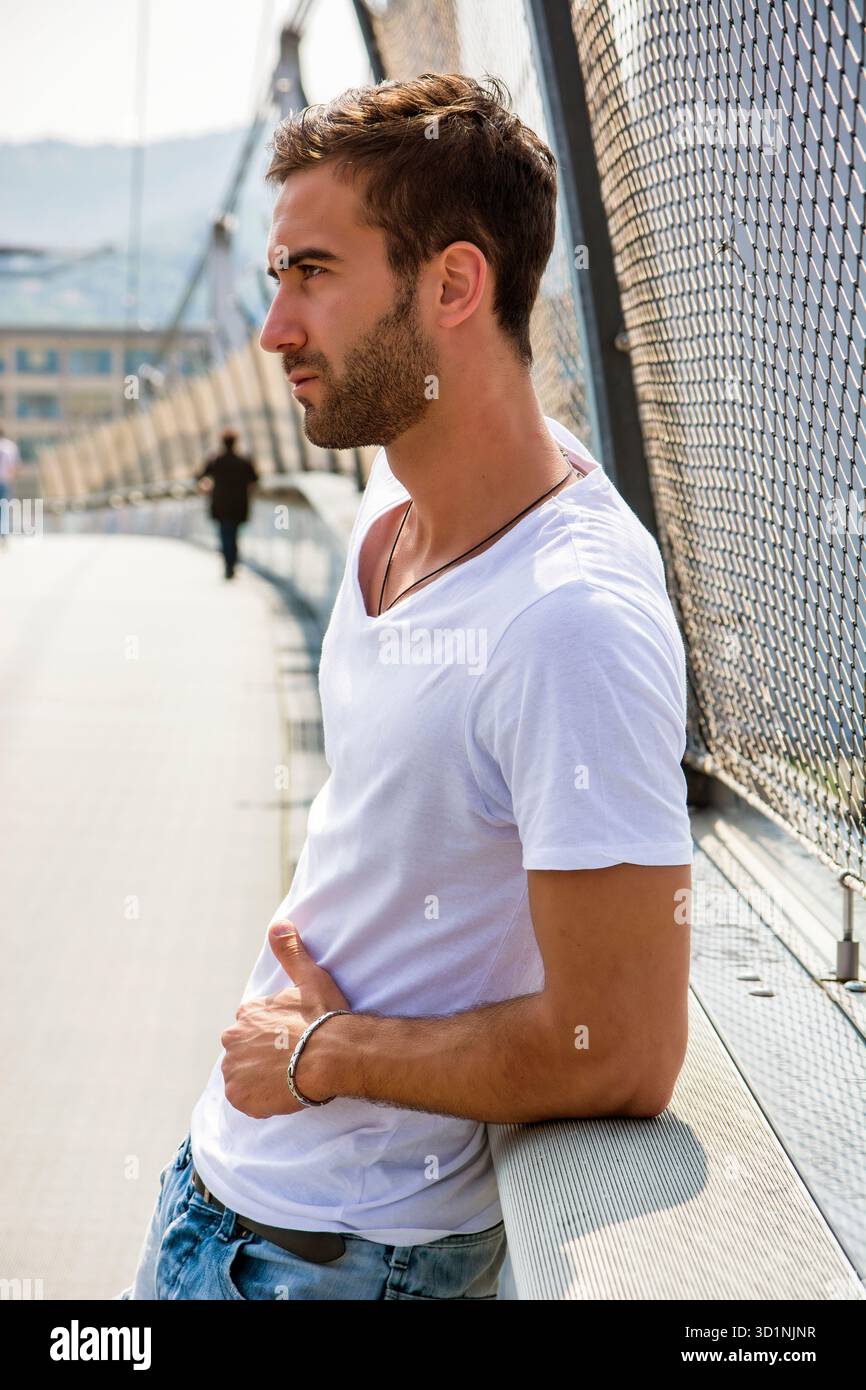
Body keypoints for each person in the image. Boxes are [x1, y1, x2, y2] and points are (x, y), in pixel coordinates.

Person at [119, 73, 693, 1301]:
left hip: (344, 1266)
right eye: (275, 275)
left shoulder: (567, 623)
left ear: (451, 284)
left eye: (312, 273)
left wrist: (325, 1054)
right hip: (215, 1200)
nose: (274, 329)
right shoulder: (396, 497)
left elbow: (624, 1049)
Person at [196, 428, 258, 578]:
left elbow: (199, 477)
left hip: (220, 505)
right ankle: (232, 563)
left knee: (224, 534)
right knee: (235, 534)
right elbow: (255, 479)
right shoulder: (244, 461)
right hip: (239, 505)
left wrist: (207, 487)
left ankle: (228, 563)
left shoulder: (216, 461)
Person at [0, 421, 21, 547]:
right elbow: (14, 466)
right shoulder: (10, 446)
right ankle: (3, 536)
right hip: (4, 481)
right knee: (3, 509)